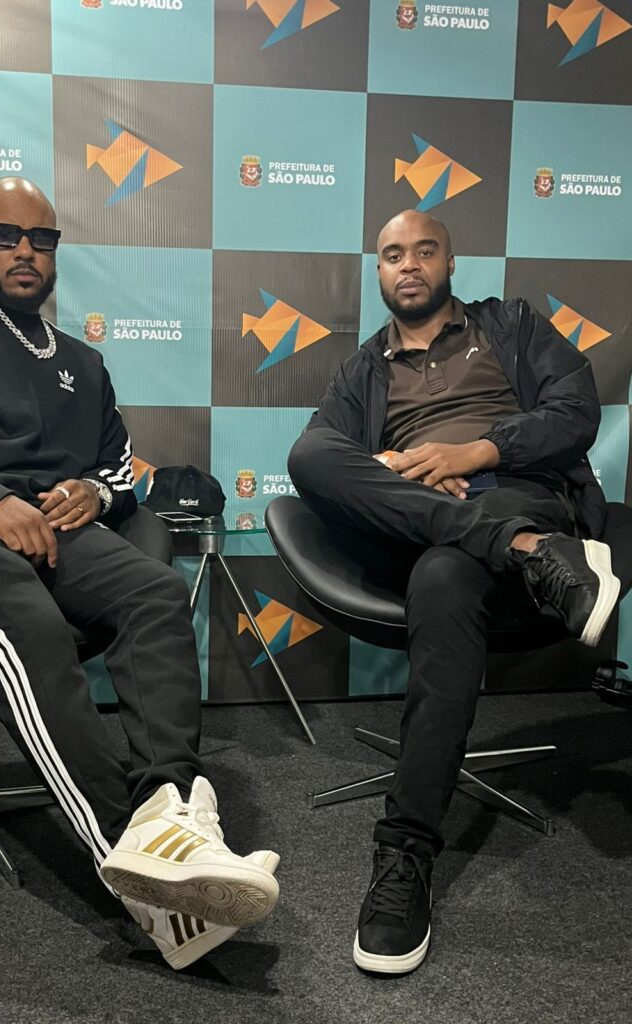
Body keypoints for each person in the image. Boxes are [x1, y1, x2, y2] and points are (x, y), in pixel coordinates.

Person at [0, 176, 279, 970]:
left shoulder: (83, 362)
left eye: (42, 239)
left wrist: (94, 492)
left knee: (155, 592)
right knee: (29, 626)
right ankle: (146, 880)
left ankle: (174, 809)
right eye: (6, 234)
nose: (26, 250)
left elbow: (118, 465)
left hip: (46, 528)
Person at [288, 209, 619, 975]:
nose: (408, 264)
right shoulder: (364, 370)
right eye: (392, 254)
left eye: (424, 250)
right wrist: (400, 471)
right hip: (426, 522)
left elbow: (576, 415)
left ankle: (404, 851)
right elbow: (324, 458)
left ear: (449, 262)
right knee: (310, 455)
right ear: (379, 272)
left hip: (514, 496)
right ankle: (528, 554)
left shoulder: (511, 326)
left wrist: (475, 451)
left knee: (442, 575)